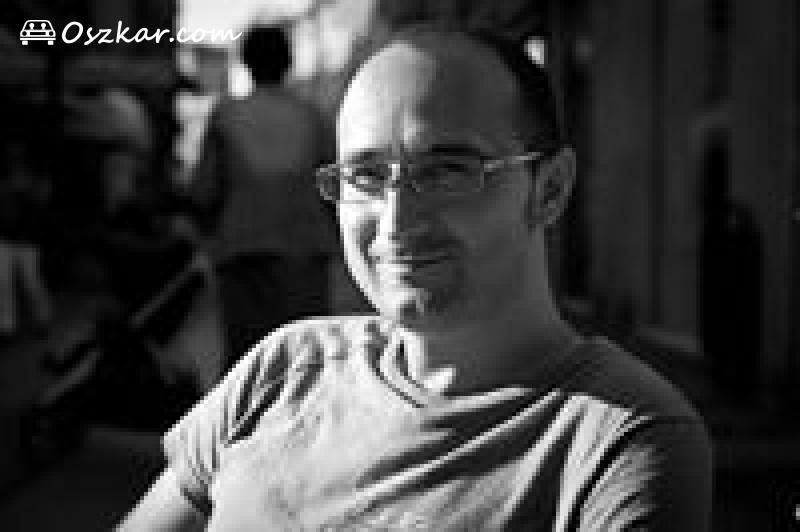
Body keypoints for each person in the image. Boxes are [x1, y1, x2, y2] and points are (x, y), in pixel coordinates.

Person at [118, 29, 712, 531]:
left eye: (448, 170)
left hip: (242, 257)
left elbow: (205, 188)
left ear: (550, 189)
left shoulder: (616, 444)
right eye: (366, 175)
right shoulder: (281, 369)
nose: (396, 222)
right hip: (299, 260)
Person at [179, 26, 339, 369]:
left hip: (242, 251)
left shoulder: (226, 115)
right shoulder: (312, 116)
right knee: (306, 361)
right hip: (304, 252)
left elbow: (204, 190)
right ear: (288, 62)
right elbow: (334, 189)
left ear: (246, 63)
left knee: (249, 363)